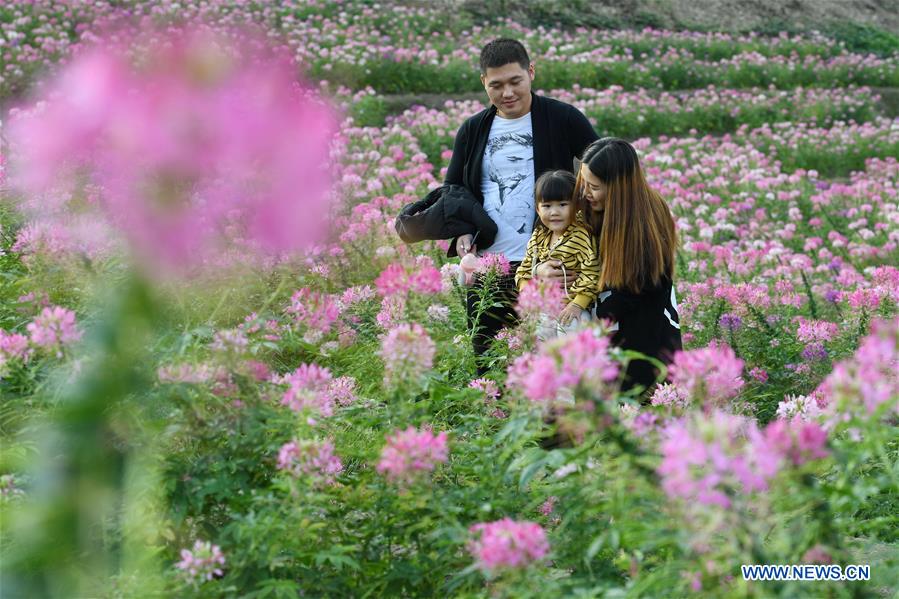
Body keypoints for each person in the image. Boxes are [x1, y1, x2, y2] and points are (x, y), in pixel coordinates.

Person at [444, 38, 598, 374]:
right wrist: (462, 232)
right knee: (490, 367)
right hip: (489, 269)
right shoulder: (473, 129)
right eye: (496, 85)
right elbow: (454, 188)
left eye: (515, 81)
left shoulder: (563, 118)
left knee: (554, 370)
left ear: (531, 72)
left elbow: (604, 167)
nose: (507, 93)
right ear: (483, 82)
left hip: (551, 269)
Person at [537, 137, 682, 395]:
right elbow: (548, 238)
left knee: (633, 403)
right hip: (596, 323)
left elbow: (641, 290)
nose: (584, 192)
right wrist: (541, 269)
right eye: (583, 182)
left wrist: (592, 320)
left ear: (618, 189)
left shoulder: (647, 219)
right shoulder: (589, 205)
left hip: (640, 333)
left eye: (594, 187)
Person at [515, 170, 599, 339]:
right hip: (544, 309)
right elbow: (523, 271)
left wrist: (577, 304)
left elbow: (592, 273)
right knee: (539, 344)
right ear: (537, 209)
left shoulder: (581, 235)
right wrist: (528, 295)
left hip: (573, 309)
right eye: (547, 206)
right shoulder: (538, 236)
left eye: (562, 204)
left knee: (571, 338)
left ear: (576, 205)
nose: (554, 212)